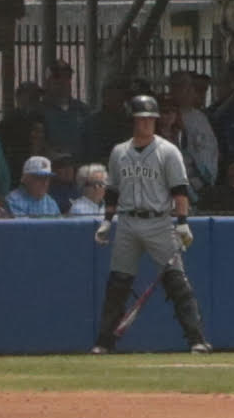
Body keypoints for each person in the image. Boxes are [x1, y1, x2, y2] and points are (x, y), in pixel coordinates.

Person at [89, 97, 211, 354]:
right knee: (118, 283)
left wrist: (182, 223)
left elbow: (179, 191)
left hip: (158, 221)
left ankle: (196, 339)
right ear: (132, 120)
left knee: (176, 282)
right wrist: (106, 222)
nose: (146, 123)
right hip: (127, 221)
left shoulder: (168, 151)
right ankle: (104, 342)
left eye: (149, 119)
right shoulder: (119, 152)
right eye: (141, 118)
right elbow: (112, 191)